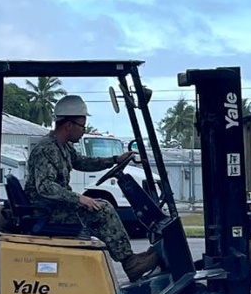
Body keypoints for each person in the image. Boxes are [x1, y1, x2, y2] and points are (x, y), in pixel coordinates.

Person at [24, 94, 159, 282]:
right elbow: (45, 187)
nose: (84, 130)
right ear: (68, 125)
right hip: (46, 213)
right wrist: (79, 198)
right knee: (102, 210)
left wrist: (114, 160)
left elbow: (82, 162)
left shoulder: (62, 147)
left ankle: (131, 259)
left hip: (55, 208)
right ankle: (130, 263)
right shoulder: (47, 149)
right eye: (82, 125)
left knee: (100, 205)